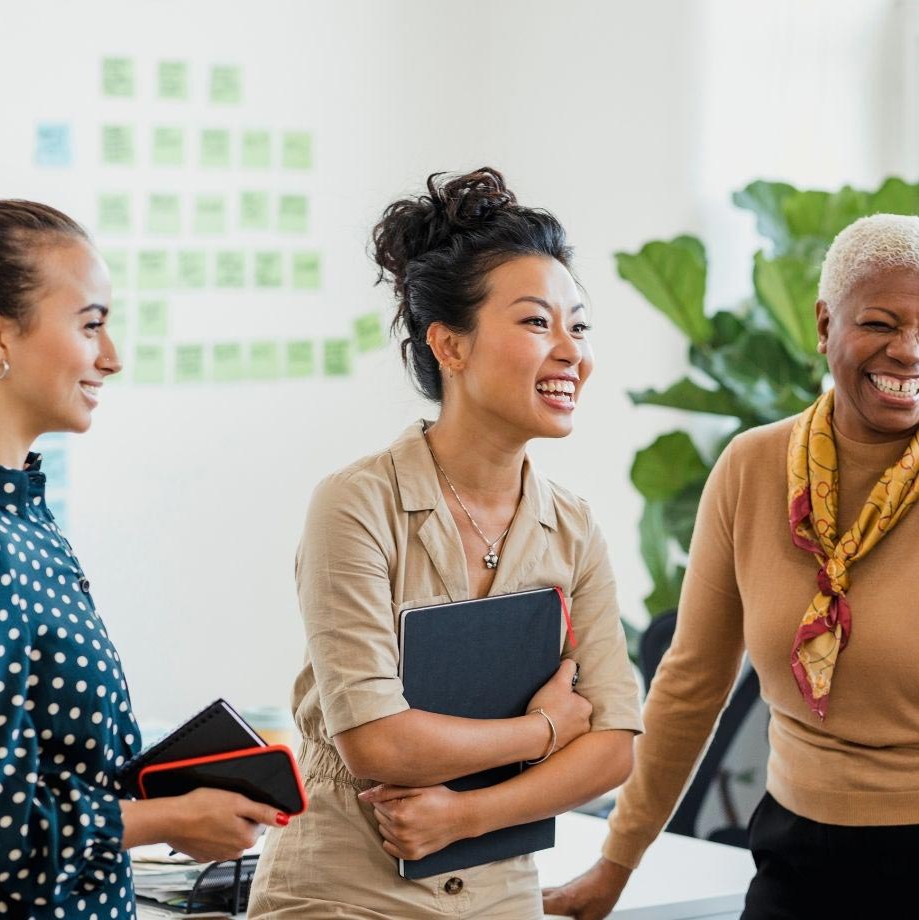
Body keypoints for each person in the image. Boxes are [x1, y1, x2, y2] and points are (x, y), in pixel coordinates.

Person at [248, 167, 642, 919]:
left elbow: (615, 745)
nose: (570, 351)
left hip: (503, 897)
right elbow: (379, 743)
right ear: (449, 347)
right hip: (342, 895)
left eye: (579, 326)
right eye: (536, 323)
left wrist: (467, 815)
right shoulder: (356, 504)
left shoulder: (574, 526)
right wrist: (547, 729)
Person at [543, 211, 919, 919]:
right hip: (797, 855)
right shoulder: (753, 467)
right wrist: (615, 864)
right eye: (880, 323)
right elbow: (690, 684)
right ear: (823, 324)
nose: (908, 351)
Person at [0, 200, 287, 918]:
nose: (112, 356)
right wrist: (166, 822)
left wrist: (168, 799)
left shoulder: (26, 513)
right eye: (90, 324)